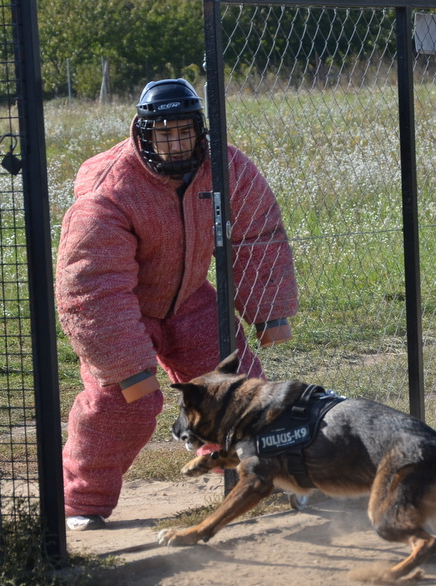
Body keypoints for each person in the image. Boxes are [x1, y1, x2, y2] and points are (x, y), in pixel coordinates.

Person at [55, 78, 299, 530]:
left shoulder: (225, 167)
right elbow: (93, 286)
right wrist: (128, 366)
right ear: (145, 134)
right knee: (121, 406)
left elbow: (257, 235)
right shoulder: (109, 191)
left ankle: (268, 475)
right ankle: (81, 500)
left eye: (184, 131)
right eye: (164, 133)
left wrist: (268, 311)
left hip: (190, 300)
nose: (175, 142)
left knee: (239, 388)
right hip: (127, 309)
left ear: (199, 129)